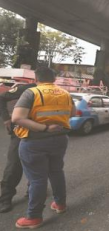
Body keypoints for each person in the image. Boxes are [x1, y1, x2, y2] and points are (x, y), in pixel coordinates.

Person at [12, 67, 75, 229]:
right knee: (56, 172)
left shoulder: (32, 93)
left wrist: (45, 128)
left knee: (37, 179)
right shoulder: (65, 94)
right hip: (60, 139)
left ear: (36, 79)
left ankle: (33, 217)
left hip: (35, 141)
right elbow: (72, 113)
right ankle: (60, 204)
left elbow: (17, 118)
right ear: (54, 79)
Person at [0, 83, 36, 213]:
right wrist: (6, 119)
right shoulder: (26, 88)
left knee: (37, 164)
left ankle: (33, 191)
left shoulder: (54, 92)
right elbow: (2, 98)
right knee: (13, 165)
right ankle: (5, 199)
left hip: (41, 134)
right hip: (21, 132)